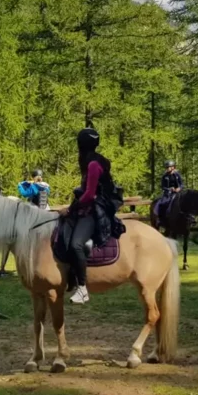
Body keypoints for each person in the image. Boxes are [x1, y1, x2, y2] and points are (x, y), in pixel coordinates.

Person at [65, 127, 120, 305]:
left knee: (76, 244)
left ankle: (82, 288)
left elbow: (89, 194)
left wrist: (71, 209)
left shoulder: (93, 164)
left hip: (94, 210)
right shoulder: (90, 162)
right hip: (87, 206)